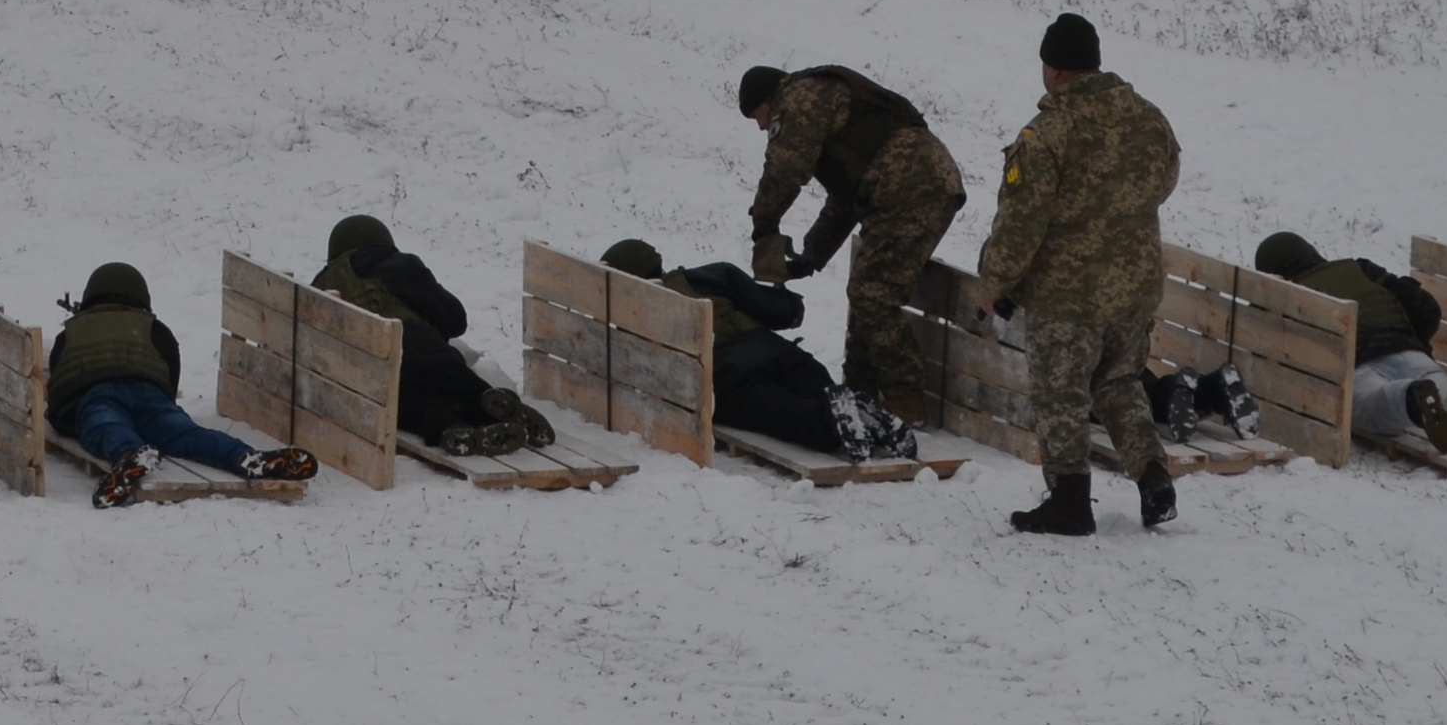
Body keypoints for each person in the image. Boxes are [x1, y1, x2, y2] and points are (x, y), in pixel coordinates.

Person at [974, 15, 1184, 537]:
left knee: (1062, 394)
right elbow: (1165, 181)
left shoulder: (1048, 134)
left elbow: (1020, 224)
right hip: (1134, 286)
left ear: (1055, 69)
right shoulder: (1148, 118)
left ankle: (1070, 502)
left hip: (1067, 296)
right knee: (1118, 382)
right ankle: (1154, 477)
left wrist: (994, 282)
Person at [735, 60, 964, 424]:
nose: (763, 125)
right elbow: (845, 197)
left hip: (913, 187)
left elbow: (784, 170)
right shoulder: (822, 103)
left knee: (873, 295)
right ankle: (861, 394)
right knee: (865, 292)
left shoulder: (799, 98)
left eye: (757, 116)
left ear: (767, 99)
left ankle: (905, 400)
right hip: (904, 187)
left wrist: (764, 226)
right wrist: (811, 256)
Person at [600, 240, 925, 463]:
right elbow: (784, 312)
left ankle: (831, 422)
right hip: (775, 351)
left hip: (730, 376)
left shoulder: (631, 316)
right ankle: (857, 409)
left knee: (788, 414)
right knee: (820, 389)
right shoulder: (710, 277)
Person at [46, 262, 315, 506]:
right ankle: (245, 457)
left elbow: (59, 388)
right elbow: (169, 380)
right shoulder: (156, 329)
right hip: (150, 395)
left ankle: (130, 454)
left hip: (97, 396)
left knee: (106, 426)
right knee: (190, 435)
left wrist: (68, 420)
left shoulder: (69, 333)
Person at [1251, 232, 1447, 457]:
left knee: (1371, 406)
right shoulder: (1358, 268)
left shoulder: (1280, 293)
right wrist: (1411, 340)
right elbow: (1425, 307)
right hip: (1409, 351)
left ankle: (1412, 399)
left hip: (1356, 364)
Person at [315, 215, 556, 457]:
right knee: (461, 386)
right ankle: (496, 405)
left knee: (418, 404)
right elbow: (454, 319)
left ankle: (451, 429)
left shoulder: (321, 284)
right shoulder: (399, 264)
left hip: (370, 366)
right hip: (419, 343)